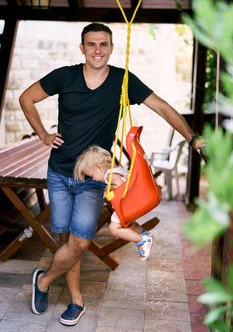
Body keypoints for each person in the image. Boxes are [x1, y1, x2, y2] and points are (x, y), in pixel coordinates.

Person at [19, 22, 205, 326]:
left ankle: (43, 281)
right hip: (60, 172)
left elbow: (162, 108)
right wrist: (41, 134)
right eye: (91, 44)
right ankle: (76, 301)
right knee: (68, 238)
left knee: (79, 240)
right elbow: (26, 99)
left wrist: (193, 137)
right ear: (82, 48)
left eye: (103, 44)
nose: (97, 50)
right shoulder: (64, 76)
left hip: (94, 177)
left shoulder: (122, 80)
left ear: (111, 48)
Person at [74, 145, 154, 261]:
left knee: (114, 228)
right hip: (137, 200)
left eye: (92, 175)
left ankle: (140, 240)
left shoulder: (110, 176)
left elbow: (123, 188)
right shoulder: (116, 169)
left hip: (129, 203)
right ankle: (144, 234)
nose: (94, 179)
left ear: (99, 167)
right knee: (127, 224)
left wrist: (108, 189)